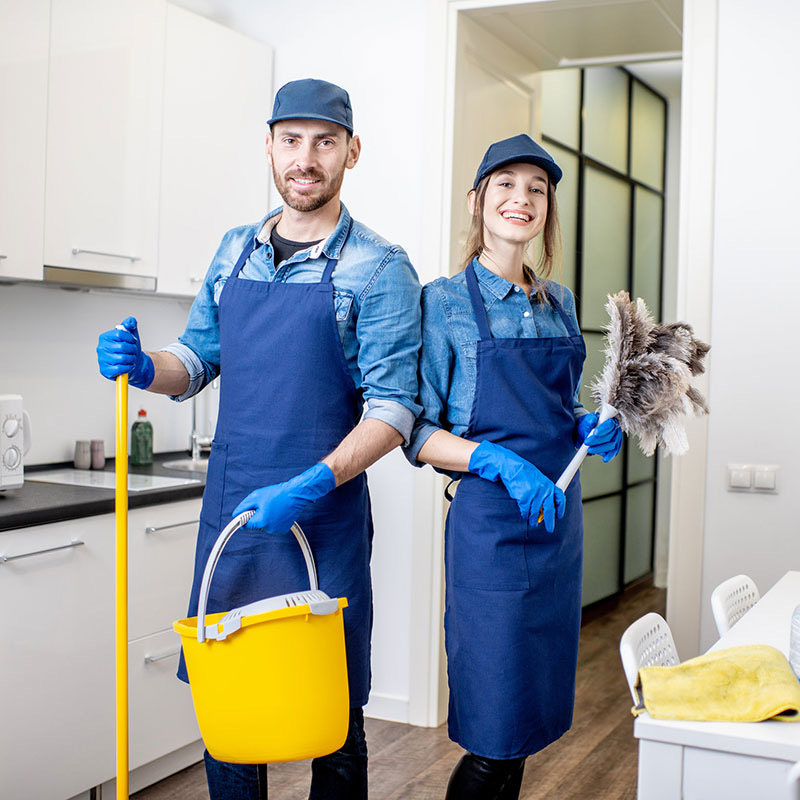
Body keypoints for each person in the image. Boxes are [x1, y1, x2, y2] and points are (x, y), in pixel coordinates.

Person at [96, 78, 422, 800]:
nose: (306, 158)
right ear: (270, 147)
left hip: (324, 519)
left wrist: (311, 483)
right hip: (235, 521)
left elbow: (395, 409)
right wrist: (149, 367)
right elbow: (198, 360)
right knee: (231, 709)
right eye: (291, 140)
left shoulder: (379, 265)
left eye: (325, 142)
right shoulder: (232, 250)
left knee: (332, 719)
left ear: (352, 152)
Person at [404, 134, 623, 799]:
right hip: (491, 537)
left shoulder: (560, 303)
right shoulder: (441, 302)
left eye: (537, 188)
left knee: (527, 723)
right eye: (505, 184)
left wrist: (586, 427)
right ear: (477, 201)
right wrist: (496, 460)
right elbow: (414, 431)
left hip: (556, 528)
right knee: (495, 733)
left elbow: (559, 408)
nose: (521, 199)